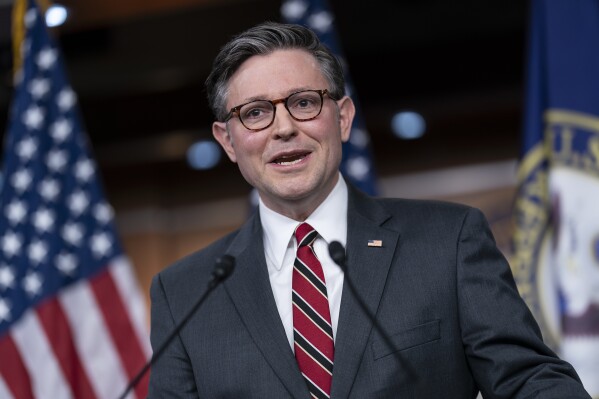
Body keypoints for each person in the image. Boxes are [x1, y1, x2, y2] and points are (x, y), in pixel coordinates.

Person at [148, 22, 591, 398]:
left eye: (303, 103)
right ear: (227, 140)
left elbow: (530, 381)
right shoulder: (184, 291)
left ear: (341, 117)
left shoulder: (449, 240)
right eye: (256, 113)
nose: (283, 129)